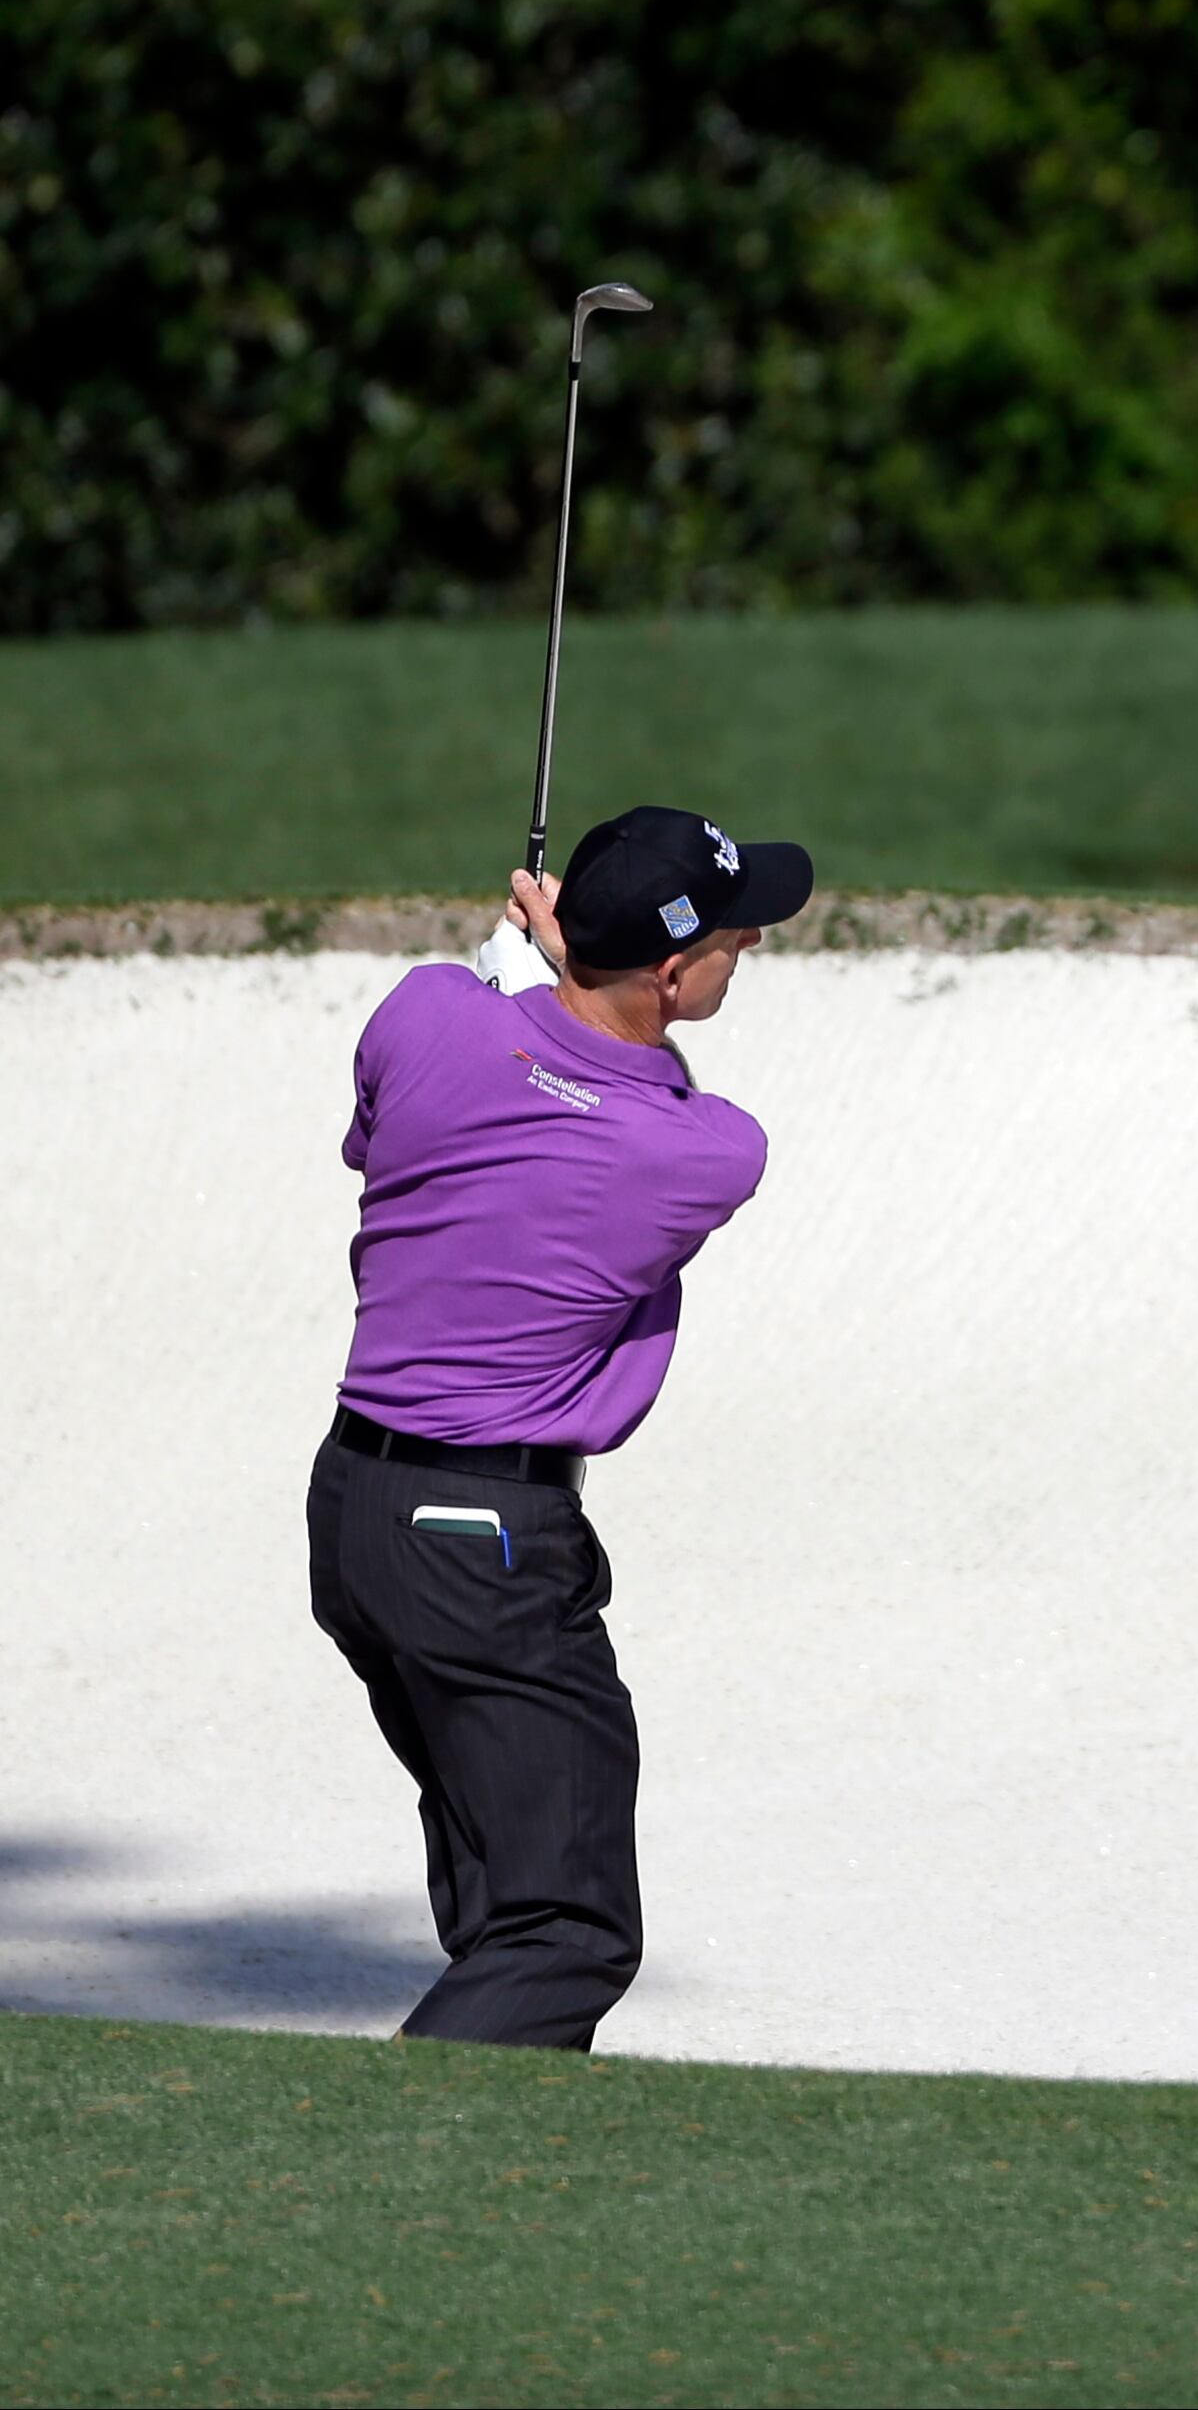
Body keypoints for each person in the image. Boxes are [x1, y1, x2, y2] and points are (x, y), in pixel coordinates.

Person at [307, 804, 812, 2049]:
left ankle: (495, 2204)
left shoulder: (426, 1008)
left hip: (356, 1512)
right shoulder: (707, 1150)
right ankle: (384, 2173)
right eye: (736, 942)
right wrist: (546, 988)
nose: (747, 953)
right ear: (674, 971)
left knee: (499, 1904)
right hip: (484, 1540)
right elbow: (641, 1109)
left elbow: (382, 1137)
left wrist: (510, 982)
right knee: (566, 1925)